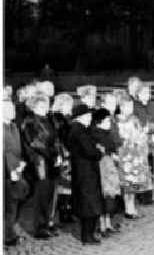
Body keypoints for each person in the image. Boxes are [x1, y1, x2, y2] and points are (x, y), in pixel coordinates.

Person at [20, 93, 59, 239]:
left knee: (49, 194)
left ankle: (47, 223)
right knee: (40, 195)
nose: (45, 108)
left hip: (49, 161)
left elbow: (55, 139)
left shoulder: (48, 120)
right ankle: (39, 227)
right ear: (34, 106)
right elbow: (35, 143)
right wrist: (51, 155)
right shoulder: (30, 122)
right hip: (39, 162)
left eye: (46, 105)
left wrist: (57, 154)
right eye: (41, 106)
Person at [67, 103, 103, 245]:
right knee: (89, 203)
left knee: (89, 202)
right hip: (85, 172)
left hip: (85, 171)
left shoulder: (80, 130)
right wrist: (99, 151)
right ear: (80, 117)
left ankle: (89, 234)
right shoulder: (79, 131)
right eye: (88, 116)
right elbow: (90, 151)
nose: (90, 118)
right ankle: (87, 236)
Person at [117, 93, 151, 218]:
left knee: (134, 183)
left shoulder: (134, 119)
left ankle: (132, 207)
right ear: (121, 107)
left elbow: (140, 133)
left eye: (131, 107)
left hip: (135, 155)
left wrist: (144, 135)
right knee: (127, 184)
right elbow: (120, 137)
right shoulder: (118, 121)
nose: (130, 109)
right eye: (127, 107)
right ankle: (128, 208)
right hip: (126, 155)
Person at [90, 108, 121, 237]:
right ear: (99, 121)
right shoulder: (96, 134)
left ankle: (108, 223)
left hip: (110, 168)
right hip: (103, 169)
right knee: (103, 196)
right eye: (107, 120)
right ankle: (102, 225)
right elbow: (100, 150)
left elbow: (112, 147)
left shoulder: (107, 133)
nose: (109, 122)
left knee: (110, 197)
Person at [134, 84, 154, 205]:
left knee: (150, 168)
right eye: (145, 93)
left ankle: (148, 195)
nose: (148, 95)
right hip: (140, 142)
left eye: (149, 92)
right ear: (138, 94)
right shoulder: (136, 107)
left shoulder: (152, 106)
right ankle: (140, 195)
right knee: (140, 169)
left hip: (151, 142)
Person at [4, 97, 29, 246]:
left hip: (17, 169)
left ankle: (9, 233)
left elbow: (18, 149)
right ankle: (7, 236)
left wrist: (21, 163)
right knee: (8, 205)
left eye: (13, 108)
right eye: (9, 109)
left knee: (14, 203)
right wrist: (9, 171)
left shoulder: (14, 127)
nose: (13, 111)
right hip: (7, 172)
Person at [50, 93, 75, 226]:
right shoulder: (56, 118)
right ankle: (61, 213)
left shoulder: (67, 118)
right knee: (62, 185)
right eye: (68, 104)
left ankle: (67, 211)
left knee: (68, 185)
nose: (70, 107)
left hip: (69, 154)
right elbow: (57, 138)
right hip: (63, 154)